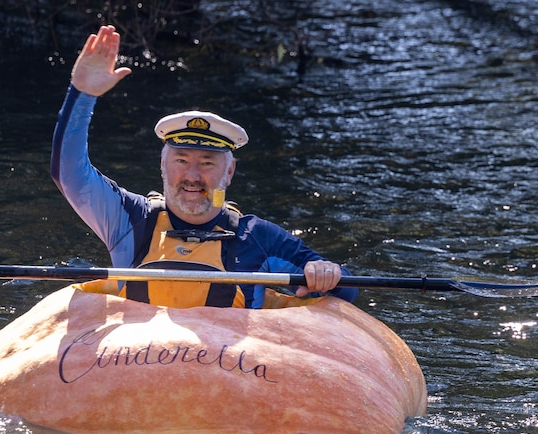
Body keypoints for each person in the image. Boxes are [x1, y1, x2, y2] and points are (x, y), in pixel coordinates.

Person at [51, 25, 358, 309]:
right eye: (181, 161)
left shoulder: (258, 238)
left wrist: (327, 274)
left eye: (208, 163)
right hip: (138, 363)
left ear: (230, 171)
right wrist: (83, 94)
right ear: (162, 165)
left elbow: (347, 290)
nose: (193, 176)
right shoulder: (130, 219)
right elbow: (69, 175)